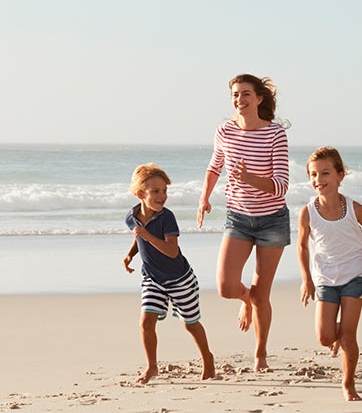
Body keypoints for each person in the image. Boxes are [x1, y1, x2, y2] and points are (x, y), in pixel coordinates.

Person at [197, 73, 290, 372]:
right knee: (225, 286)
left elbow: (281, 186)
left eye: (246, 93)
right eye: (236, 95)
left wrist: (249, 178)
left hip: (272, 220)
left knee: (263, 294)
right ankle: (245, 300)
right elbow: (215, 167)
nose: (240, 99)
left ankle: (260, 354)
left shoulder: (275, 135)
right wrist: (204, 198)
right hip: (237, 217)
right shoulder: (224, 131)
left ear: (259, 98)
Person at [297, 147, 362, 401]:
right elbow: (302, 246)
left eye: (325, 173)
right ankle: (337, 337)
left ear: (340, 175)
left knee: (348, 336)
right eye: (313, 175)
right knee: (325, 336)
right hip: (325, 276)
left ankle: (348, 385)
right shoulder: (308, 212)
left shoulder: (353, 208)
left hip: (355, 273)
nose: (319, 180)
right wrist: (306, 279)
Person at [123, 163, 215, 384]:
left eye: (164, 191)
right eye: (155, 191)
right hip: (152, 279)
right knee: (146, 321)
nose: (162, 196)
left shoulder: (167, 218)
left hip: (180, 279)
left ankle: (208, 358)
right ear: (140, 194)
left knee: (190, 323)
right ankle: (152, 367)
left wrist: (146, 235)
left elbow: (172, 251)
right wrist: (130, 255)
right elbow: (139, 238)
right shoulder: (131, 217)